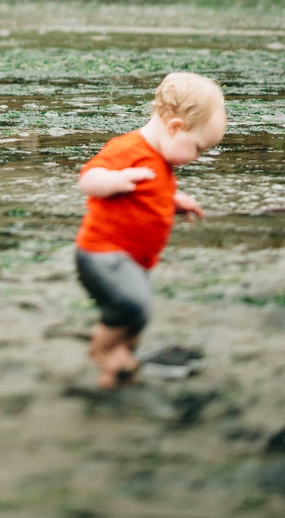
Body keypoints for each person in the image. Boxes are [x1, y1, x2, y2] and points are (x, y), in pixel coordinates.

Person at [74, 72, 226, 388]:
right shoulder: (129, 147)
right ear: (175, 128)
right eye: (198, 148)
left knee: (138, 318)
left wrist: (174, 201)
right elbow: (88, 179)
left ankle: (118, 370)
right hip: (103, 253)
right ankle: (103, 351)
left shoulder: (160, 159)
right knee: (132, 307)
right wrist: (115, 181)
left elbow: (149, 193)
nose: (197, 157)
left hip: (133, 258)